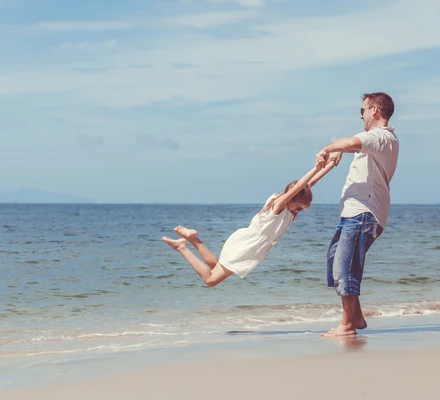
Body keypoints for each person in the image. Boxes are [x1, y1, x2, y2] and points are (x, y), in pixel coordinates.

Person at [162, 159, 338, 286]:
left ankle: (194, 239)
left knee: (215, 266)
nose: (298, 208)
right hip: (248, 244)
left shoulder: (290, 210)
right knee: (210, 280)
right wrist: (315, 167)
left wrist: (329, 166)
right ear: (291, 197)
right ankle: (182, 247)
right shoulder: (278, 205)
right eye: (298, 204)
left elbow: (307, 186)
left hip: (250, 244)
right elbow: (300, 186)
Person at [316, 92, 399, 338]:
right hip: (355, 212)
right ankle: (357, 318)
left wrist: (328, 147)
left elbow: (353, 142)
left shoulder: (381, 137)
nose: (360, 115)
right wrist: (339, 150)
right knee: (335, 259)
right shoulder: (376, 141)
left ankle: (346, 326)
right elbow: (354, 144)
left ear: (374, 110)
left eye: (362, 110)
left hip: (364, 211)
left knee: (345, 266)